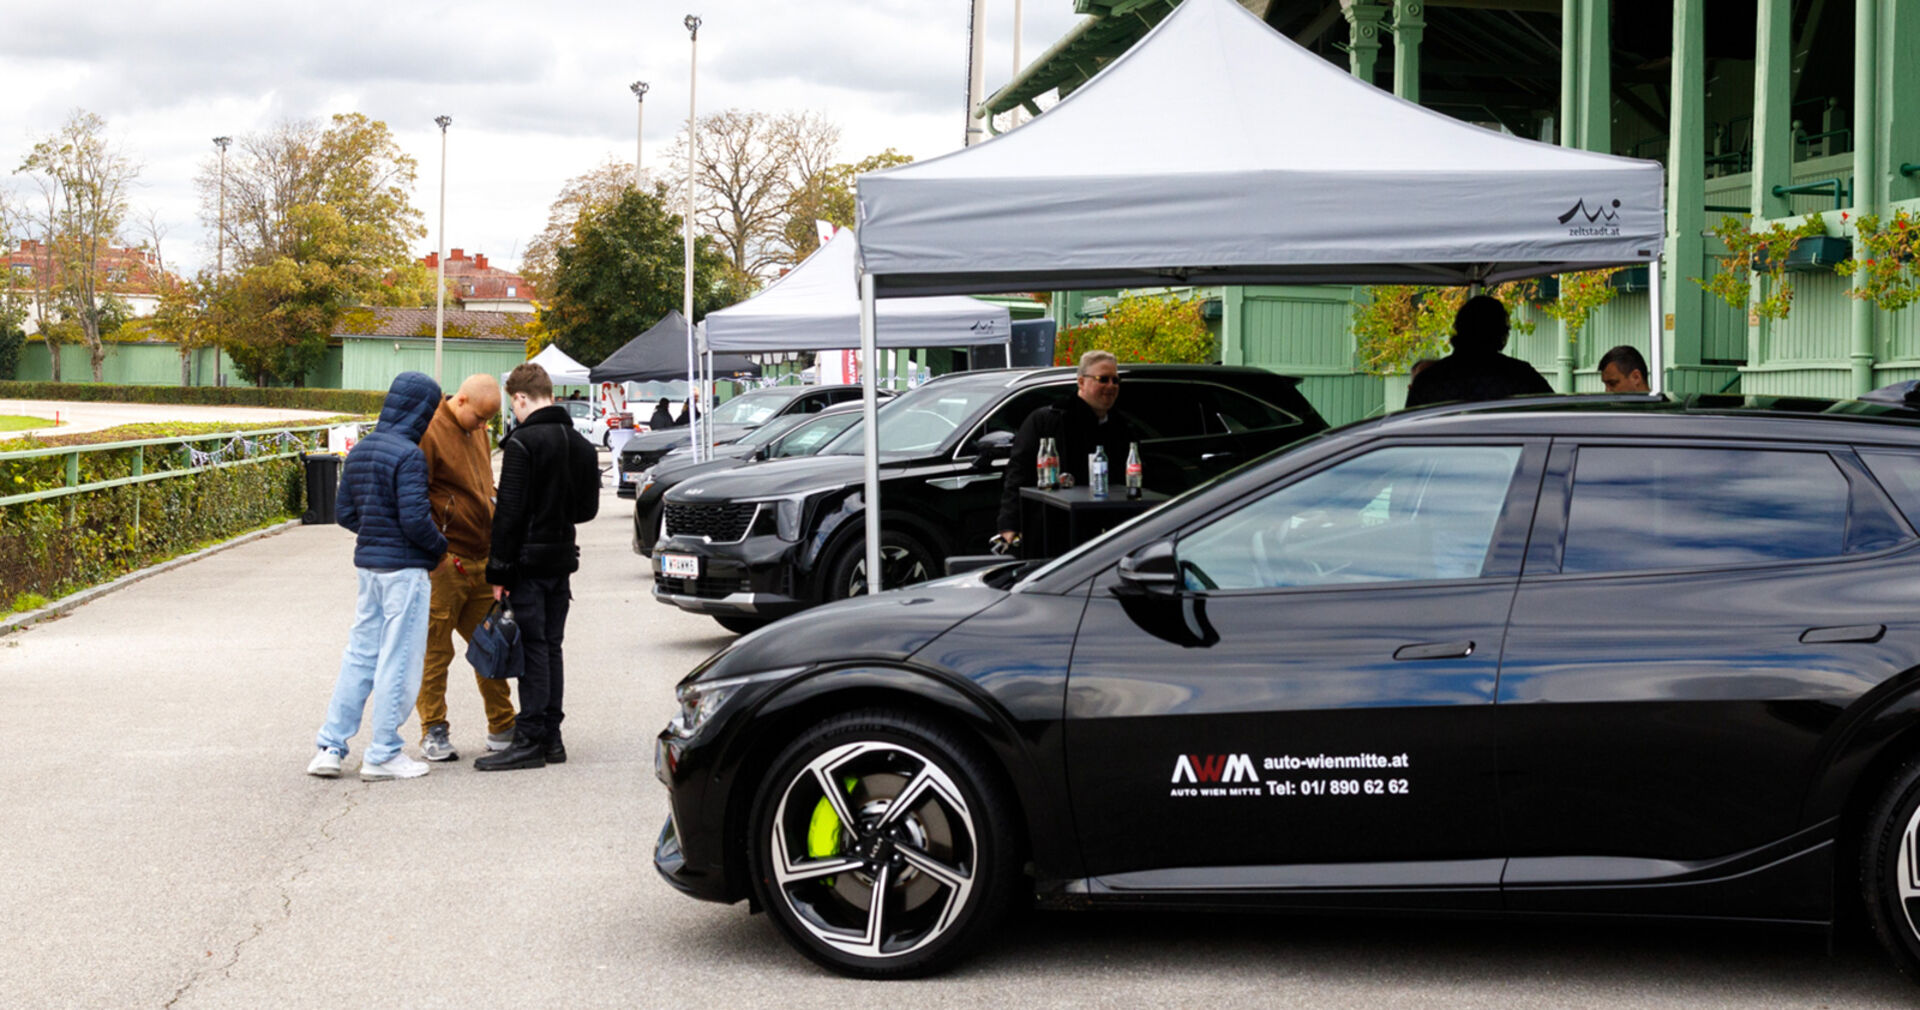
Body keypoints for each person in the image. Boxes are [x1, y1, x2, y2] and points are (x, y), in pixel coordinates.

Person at [308, 371, 447, 781]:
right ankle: (384, 751)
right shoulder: (409, 455)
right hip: (405, 572)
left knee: (360, 656)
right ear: (421, 410)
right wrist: (440, 548)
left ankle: (330, 747)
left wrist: (375, 532)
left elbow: (345, 514)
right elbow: (416, 521)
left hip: (369, 567)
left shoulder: (362, 450)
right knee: (399, 661)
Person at [476, 363, 601, 772]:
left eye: (514, 405)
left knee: (532, 650)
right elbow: (587, 510)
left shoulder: (523, 443)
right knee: (551, 646)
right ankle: (552, 737)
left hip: (527, 562)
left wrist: (498, 572)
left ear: (520, 398)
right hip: (562, 558)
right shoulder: (580, 445)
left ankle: (529, 738)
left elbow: (508, 514)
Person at [414, 374, 516, 762]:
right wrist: (437, 555)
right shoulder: (429, 431)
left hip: (481, 557)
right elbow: (415, 497)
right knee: (435, 652)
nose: (484, 426)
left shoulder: (477, 432)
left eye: (489, 420)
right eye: (480, 417)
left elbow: (484, 487)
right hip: (446, 562)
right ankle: (433, 729)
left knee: (492, 646)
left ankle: (502, 724)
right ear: (461, 401)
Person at [997, 350, 1136, 544]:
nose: (1111, 386)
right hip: (1055, 529)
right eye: (1103, 379)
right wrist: (1009, 524)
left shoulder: (1121, 426)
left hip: (1108, 532)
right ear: (1081, 382)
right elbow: (1018, 471)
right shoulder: (1048, 420)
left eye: (1115, 380)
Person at [1404, 295, 1553, 408]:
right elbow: (1552, 414)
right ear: (1501, 332)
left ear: (1458, 329)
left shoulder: (1429, 380)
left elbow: (1407, 429)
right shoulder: (1522, 376)